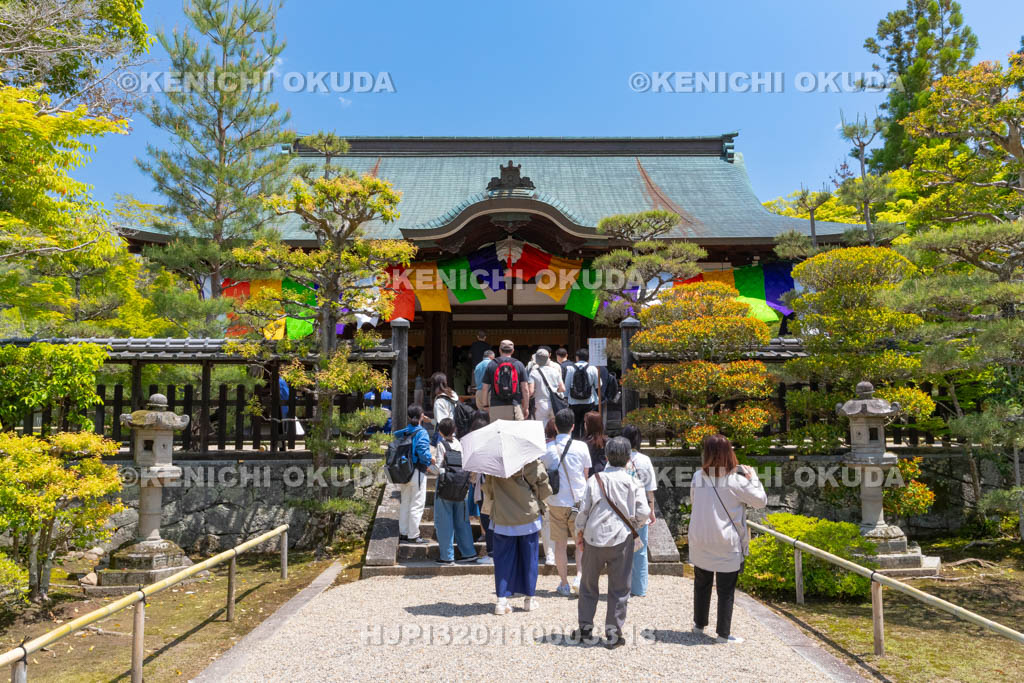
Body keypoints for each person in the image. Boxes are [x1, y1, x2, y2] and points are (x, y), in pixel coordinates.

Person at [689, 434, 767, 644]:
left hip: (701, 537)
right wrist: (753, 478)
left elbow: (694, 500)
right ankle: (723, 634)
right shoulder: (736, 480)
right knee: (725, 590)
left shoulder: (698, 477)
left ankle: (699, 625)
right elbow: (761, 501)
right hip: (726, 541)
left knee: (701, 583)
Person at [573, 436, 650, 649]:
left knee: (588, 585)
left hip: (593, 538)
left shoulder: (594, 480)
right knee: (619, 588)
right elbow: (644, 512)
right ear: (628, 459)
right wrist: (633, 525)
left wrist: (579, 534)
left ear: (606, 457)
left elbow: (583, 512)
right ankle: (614, 634)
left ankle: (585, 629)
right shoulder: (634, 481)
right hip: (621, 538)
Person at [483, 447, 552, 614]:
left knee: (502, 560)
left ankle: (501, 600)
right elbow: (544, 489)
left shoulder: (495, 465)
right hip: (528, 516)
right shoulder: (531, 462)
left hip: (503, 516)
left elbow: (489, 490)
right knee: (530, 559)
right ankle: (529, 599)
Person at [541, 409, 591, 596]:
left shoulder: (547, 449)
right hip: (577, 500)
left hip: (555, 501)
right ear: (573, 426)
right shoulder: (582, 447)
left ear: (555, 426)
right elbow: (586, 475)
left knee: (559, 545)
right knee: (580, 543)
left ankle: (564, 583)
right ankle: (579, 576)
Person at [431, 418, 477, 565]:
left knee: (444, 522)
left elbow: (438, 468)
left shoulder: (441, 444)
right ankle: (468, 552)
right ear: (454, 429)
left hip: (446, 485)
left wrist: (429, 467)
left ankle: (447, 556)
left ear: (440, 431)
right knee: (462, 520)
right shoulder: (460, 443)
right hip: (461, 484)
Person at [622, 425, 657, 597]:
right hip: (640, 508)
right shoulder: (645, 460)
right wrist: (652, 510)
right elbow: (650, 488)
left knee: (621, 550)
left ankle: (623, 587)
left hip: (621, 509)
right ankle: (639, 588)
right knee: (640, 549)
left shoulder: (617, 458)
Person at [393, 404, 432, 545]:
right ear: (422, 416)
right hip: (417, 470)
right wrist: (429, 461)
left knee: (405, 503)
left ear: (409, 417)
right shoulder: (421, 432)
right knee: (417, 503)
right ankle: (414, 535)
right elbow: (423, 451)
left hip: (403, 472)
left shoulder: (403, 432)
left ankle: (403, 532)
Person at [479, 339, 530, 422]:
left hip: (496, 406)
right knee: (516, 433)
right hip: (515, 406)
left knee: (497, 433)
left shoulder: (491, 364)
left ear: (499, 350)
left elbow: (484, 388)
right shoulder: (519, 364)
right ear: (513, 351)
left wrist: (485, 405)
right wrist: (526, 407)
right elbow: (525, 389)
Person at [564, 348, 600, 439]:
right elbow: (599, 385)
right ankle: (586, 442)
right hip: (589, 401)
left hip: (573, 401)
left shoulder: (570, 368)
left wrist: (565, 398)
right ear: (588, 358)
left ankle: (575, 441)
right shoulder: (592, 368)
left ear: (577, 358)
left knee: (575, 424)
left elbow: (567, 385)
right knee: (587, 424)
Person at [528, 348, 565, 426]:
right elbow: (562, 389)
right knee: (554, 426)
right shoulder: (555, 371)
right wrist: (554, 389)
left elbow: (530, 391)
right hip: (555, 403)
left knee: (542, 427)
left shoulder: (534, 373)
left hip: (540, 403)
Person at [430, 372, 459, 444]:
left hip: (445, 437)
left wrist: (431, 421)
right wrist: (430, 420)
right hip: (455, 433)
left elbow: (442, 423)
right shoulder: (452, 394)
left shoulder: (439, 402)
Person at [583, 411, 607, 475]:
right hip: (605, 473)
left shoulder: (584, 443)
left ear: (590, 425)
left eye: (585, 422)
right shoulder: (606, 441)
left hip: (590, 474)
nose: (584, 424)